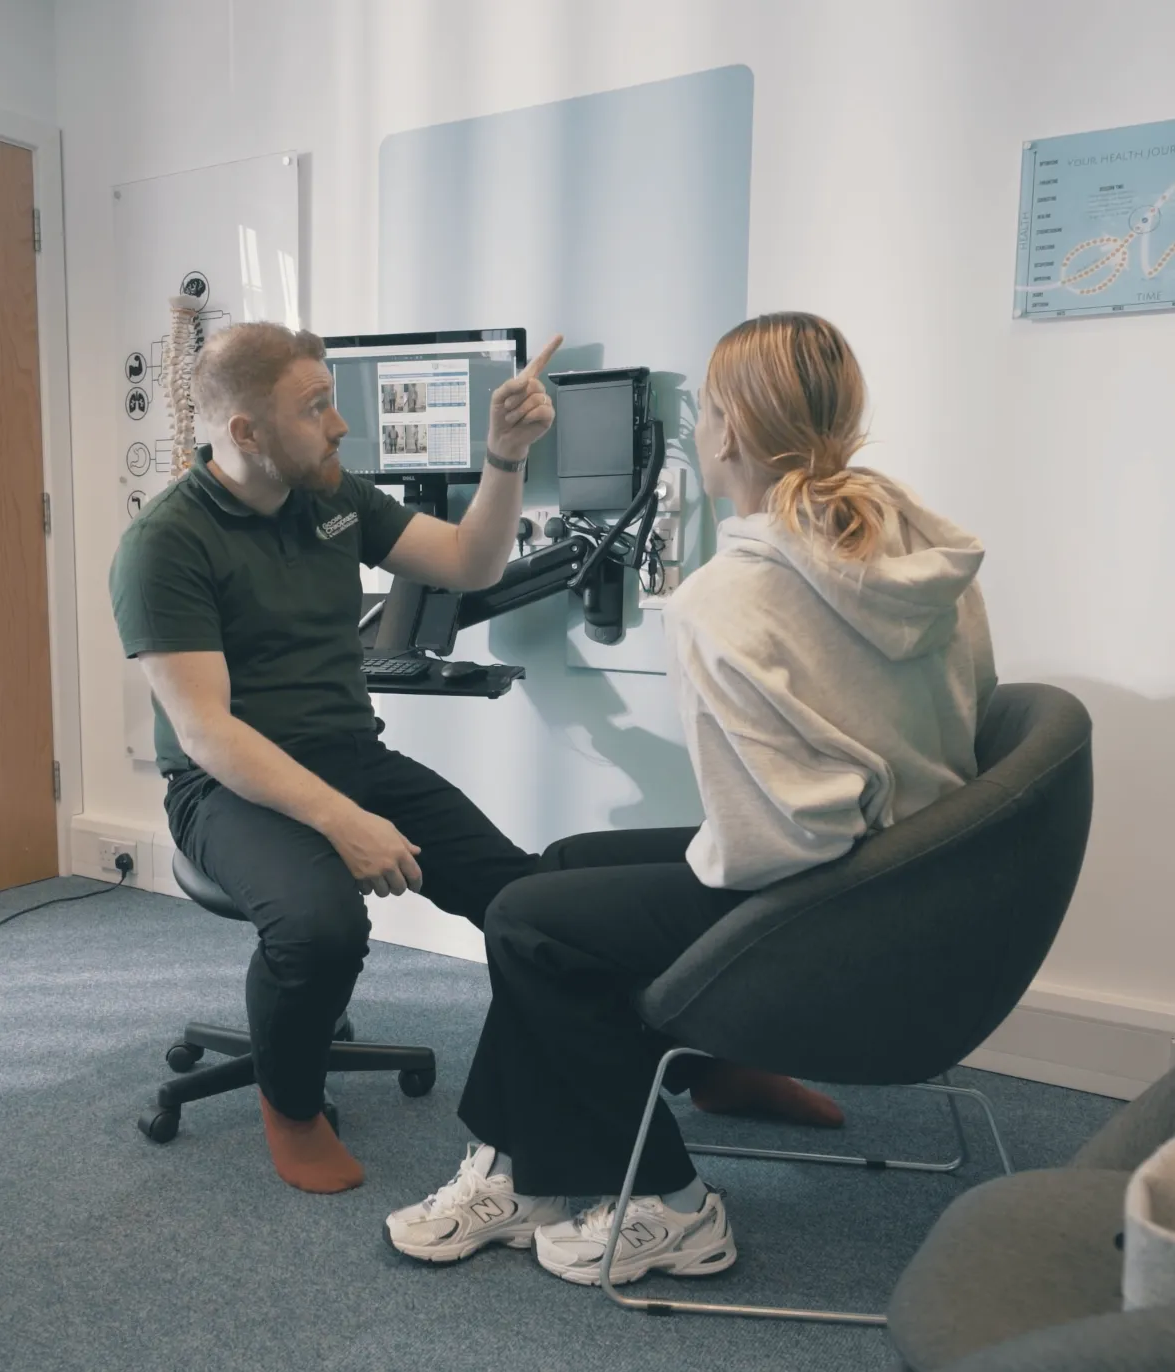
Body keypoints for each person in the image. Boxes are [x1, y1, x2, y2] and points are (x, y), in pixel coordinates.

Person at [384, 312, 997, 1288]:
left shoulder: (727, 598)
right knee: (562, 869)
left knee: (530, 923)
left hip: (831, 901)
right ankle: (525, 1168)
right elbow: (959, 724)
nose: (701, 429)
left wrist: (700, 868)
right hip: (914, 871)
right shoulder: (921, 549)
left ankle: (672, 1204)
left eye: (706, 411)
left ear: (729, 431)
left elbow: (775, 839)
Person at [109, 321, 562, 1195]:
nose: (341, 425)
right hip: (224, 787)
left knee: (526, 898)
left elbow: (470, 562)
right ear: (246, 431)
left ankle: (660, 1060)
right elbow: (206, 733)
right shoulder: (166, 543)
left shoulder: (333, 498)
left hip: (349, 755)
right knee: (321, 929)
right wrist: (344, 821)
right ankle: (291, 1105)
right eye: (316, 407)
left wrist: (504, 456)